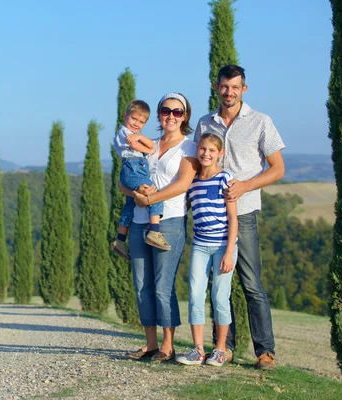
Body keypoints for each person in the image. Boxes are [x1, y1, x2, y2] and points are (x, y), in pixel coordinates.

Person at [193, 64, 285, 370]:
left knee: (250, 283)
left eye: (235, 87)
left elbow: (277, 169)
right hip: (209, 221)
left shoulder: (260, 121)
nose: (229, 92)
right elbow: (196, 165)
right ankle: (225, 347)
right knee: (219, 285)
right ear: (216, 87)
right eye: (224, 86)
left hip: (242, 214)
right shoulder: (206, 122)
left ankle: (265, 351)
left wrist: (245, 185)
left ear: (243, 89)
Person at [120, 93, 199, 363]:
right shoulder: (147, 144)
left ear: (185, 116)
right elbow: (123, 180)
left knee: (163, 286)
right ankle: (150, 344)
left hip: (171, 221)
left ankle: (168, 346)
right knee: (142, 285)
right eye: (166, 110)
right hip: (140, 221)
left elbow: (182, 184)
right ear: (158, 114)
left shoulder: (189, 148)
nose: (171, 116)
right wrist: (136, 194)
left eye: (177, 112)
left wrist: (150, 198)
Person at [176, 132, 237, 368]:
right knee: (195, 295)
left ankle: (220, 349)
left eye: (212, 150)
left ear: (220, 154)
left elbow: (233, 218)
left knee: (220, 297)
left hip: (223, 246)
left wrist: (230, 251)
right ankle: (198, 350)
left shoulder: (225, 179)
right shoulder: (192, 183)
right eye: (202, 149)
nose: (206, 154)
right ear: (197, 150)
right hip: (200, 246)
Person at [110, 100, 171, 261]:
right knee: (155, 194)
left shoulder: (134, 134)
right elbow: (139, 147)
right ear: (125, 116)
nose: (136, 124)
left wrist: (142, 139)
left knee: (130, 205)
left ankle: (120, 240)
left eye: (141, 122)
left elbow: (151, 144)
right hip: (133, 169)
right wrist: (148, 149)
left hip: (136, 169)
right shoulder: (124, 132)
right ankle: (154, 231)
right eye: (134, 119)